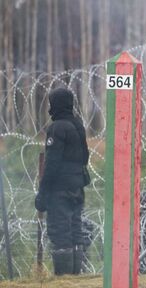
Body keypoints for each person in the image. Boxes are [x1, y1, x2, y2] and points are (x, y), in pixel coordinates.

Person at [34, 88, 90, 276]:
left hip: (59, 190)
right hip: (77, 186)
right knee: (75, 230)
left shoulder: (57, 127)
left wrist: (43, 193)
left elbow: (51, 164)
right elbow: (85, 156)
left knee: (60, 233)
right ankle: (75, 278)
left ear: (55, 105)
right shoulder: (78, 125)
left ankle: (64, 279)